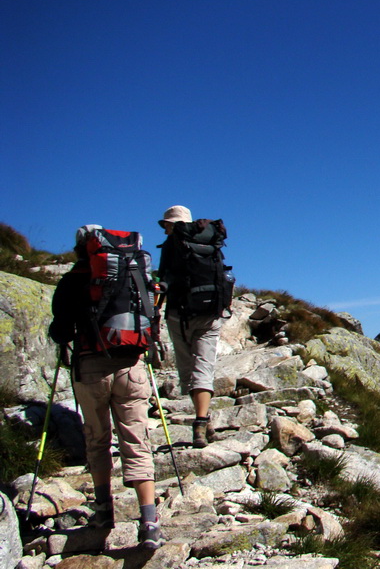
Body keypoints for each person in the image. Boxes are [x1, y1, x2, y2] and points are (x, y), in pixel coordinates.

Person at [48, 225, 163, 549]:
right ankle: (150, 522)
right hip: (132, 366)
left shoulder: (74, 279)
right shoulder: (134, 273)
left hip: (92, 367)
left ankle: (103, 513)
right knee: (137, 439)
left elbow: (61, 331)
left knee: (97, 441)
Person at [156, 205, 224, 448]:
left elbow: (163, 279)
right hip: (211, 313)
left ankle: (199, 424)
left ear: (171, 224)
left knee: (188, 369)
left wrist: (155, 308)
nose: (165, 230)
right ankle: (206, 421)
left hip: (179, 315)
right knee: (204, 368)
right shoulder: (209, 239)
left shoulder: (172, 245)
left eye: (166, 225)